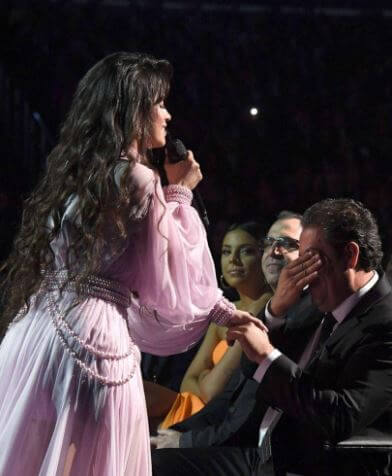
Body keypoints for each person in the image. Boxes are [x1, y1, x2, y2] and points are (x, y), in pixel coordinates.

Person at [0, 52, 261, 476]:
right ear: (135, 110)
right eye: (159, 103)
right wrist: (180, 194)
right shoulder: (139, 179)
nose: (167, 113)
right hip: (93, 340)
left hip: (37, 333)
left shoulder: (73, 172)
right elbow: (167, 280)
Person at [151, 212, 325, 476]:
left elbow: (242, 410)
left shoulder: (304, 315)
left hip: (261, 452)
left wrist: (183, 440)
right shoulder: (264, 312)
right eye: (268, 242)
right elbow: (221, 396)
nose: (274, 250)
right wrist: (178, 433)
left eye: (287, 243)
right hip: (217, 427)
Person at [228, 198, 392, 475]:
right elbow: (250, 367)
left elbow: (341, 417)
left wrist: (267, 356)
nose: (305, 273)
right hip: (260, 455)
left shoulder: (385, 324)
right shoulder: (312, 299)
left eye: (314, 259)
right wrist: (276, 310)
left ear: (350, 256)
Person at [159, 221, 272, 429]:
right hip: (196, 405)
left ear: (264, 258)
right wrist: (203, 380)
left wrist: (204, 377)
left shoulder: (265, 307)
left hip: (226, 419)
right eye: (227, 252)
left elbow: (211, 391)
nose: (233, 260)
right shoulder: (225, 311)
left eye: (245, 251)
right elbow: (189, 381)